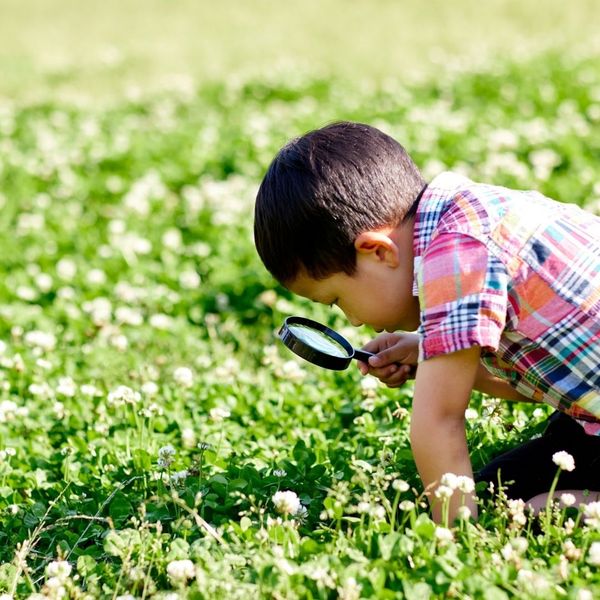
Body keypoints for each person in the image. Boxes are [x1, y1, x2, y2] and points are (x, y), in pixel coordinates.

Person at [253, 121, 600, 523]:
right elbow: (550, 382)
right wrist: (429, 355)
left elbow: (437, 422)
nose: (352, 318)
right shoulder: (464, 213)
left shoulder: (455, 256)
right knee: (498, 489)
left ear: (378, 252)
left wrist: (454, 540)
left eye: (337, 300)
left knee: (527, 511)